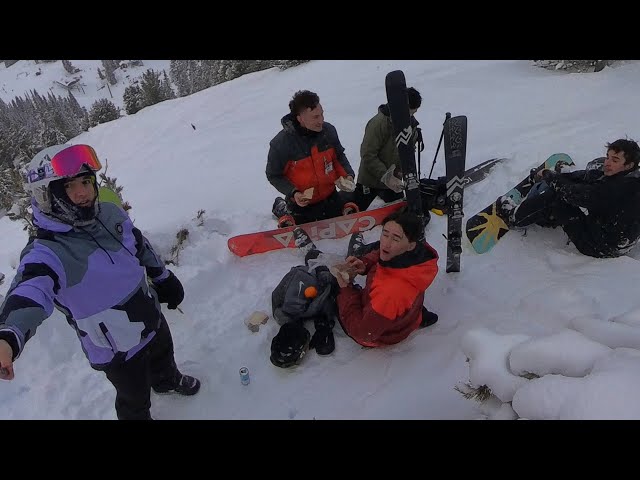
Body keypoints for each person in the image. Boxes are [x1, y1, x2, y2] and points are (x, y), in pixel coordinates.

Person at [0, 144, 200, 420]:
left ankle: (167, 381)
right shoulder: (48, 251)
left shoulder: (109, 213)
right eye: (69, 186)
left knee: (163, 354)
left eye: (86, 181)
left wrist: (162, 277)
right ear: (46, 195)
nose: (83, 193)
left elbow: (139, 244)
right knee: (133, 397)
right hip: (115, 348)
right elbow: (30, 289)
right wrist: (9, 336)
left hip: (149, 315)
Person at [291, 209, 439, 350]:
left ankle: (312, 254)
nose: (386, 243)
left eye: (395, 238)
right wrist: (364, 264)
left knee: (328, 277)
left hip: (377, 334)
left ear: (410, 245)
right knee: (369, 253)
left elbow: (362, 332)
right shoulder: (416, 257)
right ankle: (357, 251)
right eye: (385, 234)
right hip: (404, 320)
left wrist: (346, 288)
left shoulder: (390, 293)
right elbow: (382, 256)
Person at [498, 138, 640, 258]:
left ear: (629, 165)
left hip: (601, 247)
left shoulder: (616, 189)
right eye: (608, 157)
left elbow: (574, 194)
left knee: (555, 198)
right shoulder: (632, 178)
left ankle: (513, 217)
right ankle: (550, 213)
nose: (608, 163)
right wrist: (562, 177)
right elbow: (595, 181)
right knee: (595, 174)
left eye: (614, 160)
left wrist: (549, 176)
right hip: (618, 239)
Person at [266, 90, 358, 228]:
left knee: (344, 213)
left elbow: (338, 156)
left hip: (330, 197)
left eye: (322, 114)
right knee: (296, 224)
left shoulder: (329, 131)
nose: (321, 120)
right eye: (315, 117)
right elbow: (274, 175)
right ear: (300, 118)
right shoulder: (281, 143)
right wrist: (294, 193)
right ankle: (280, 206)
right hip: (301, 203)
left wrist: (347, 176)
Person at [353, 87, 424, 212]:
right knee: (356, 213)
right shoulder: (378, 123)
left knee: (399, 212)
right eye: (409, 113)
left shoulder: (411, 126)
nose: (411, 117)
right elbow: (368, 155)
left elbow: (408, 152)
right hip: (370, 180)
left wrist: (402, 170)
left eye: (414, 113)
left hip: (394, 183)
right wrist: (386, 177)